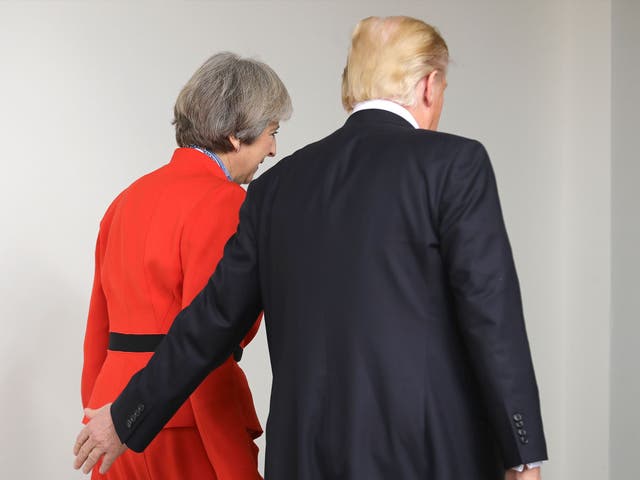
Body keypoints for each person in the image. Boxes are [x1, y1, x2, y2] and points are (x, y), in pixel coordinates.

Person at [74, 16, 548, 480]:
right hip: (424, 456)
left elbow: (207, 324)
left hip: (303, 458)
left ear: (351, 86)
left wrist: (124, 417)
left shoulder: (276, 187)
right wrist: (522, 453)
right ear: (428, 84)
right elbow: (491, 316)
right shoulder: (456, 164)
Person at [78, 52, 292, 479]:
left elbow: (97, 328)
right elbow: (210, 335)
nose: (273, 148)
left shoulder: (125, 200)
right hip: (189, 420)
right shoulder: (225, 202)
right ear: (236, 135)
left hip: (113, 417)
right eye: (271, 131)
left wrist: (102, 414)